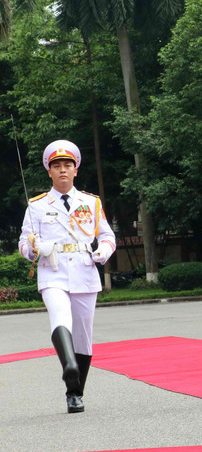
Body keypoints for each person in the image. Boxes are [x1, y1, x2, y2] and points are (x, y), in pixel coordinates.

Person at [18, 140, 116, 414]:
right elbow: (24, 245)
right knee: (60, 316)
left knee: (84, 335)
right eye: (56, 166)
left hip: (84, 271)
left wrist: (102, 253)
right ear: (49, 172)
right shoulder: (37, 206)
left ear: (75, 170)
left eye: (67, 165)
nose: (62, 170)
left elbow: (107, 236)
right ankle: (69, 366)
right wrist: (35, 249)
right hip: (53, 272)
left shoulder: (91, 202)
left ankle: (75, 392)